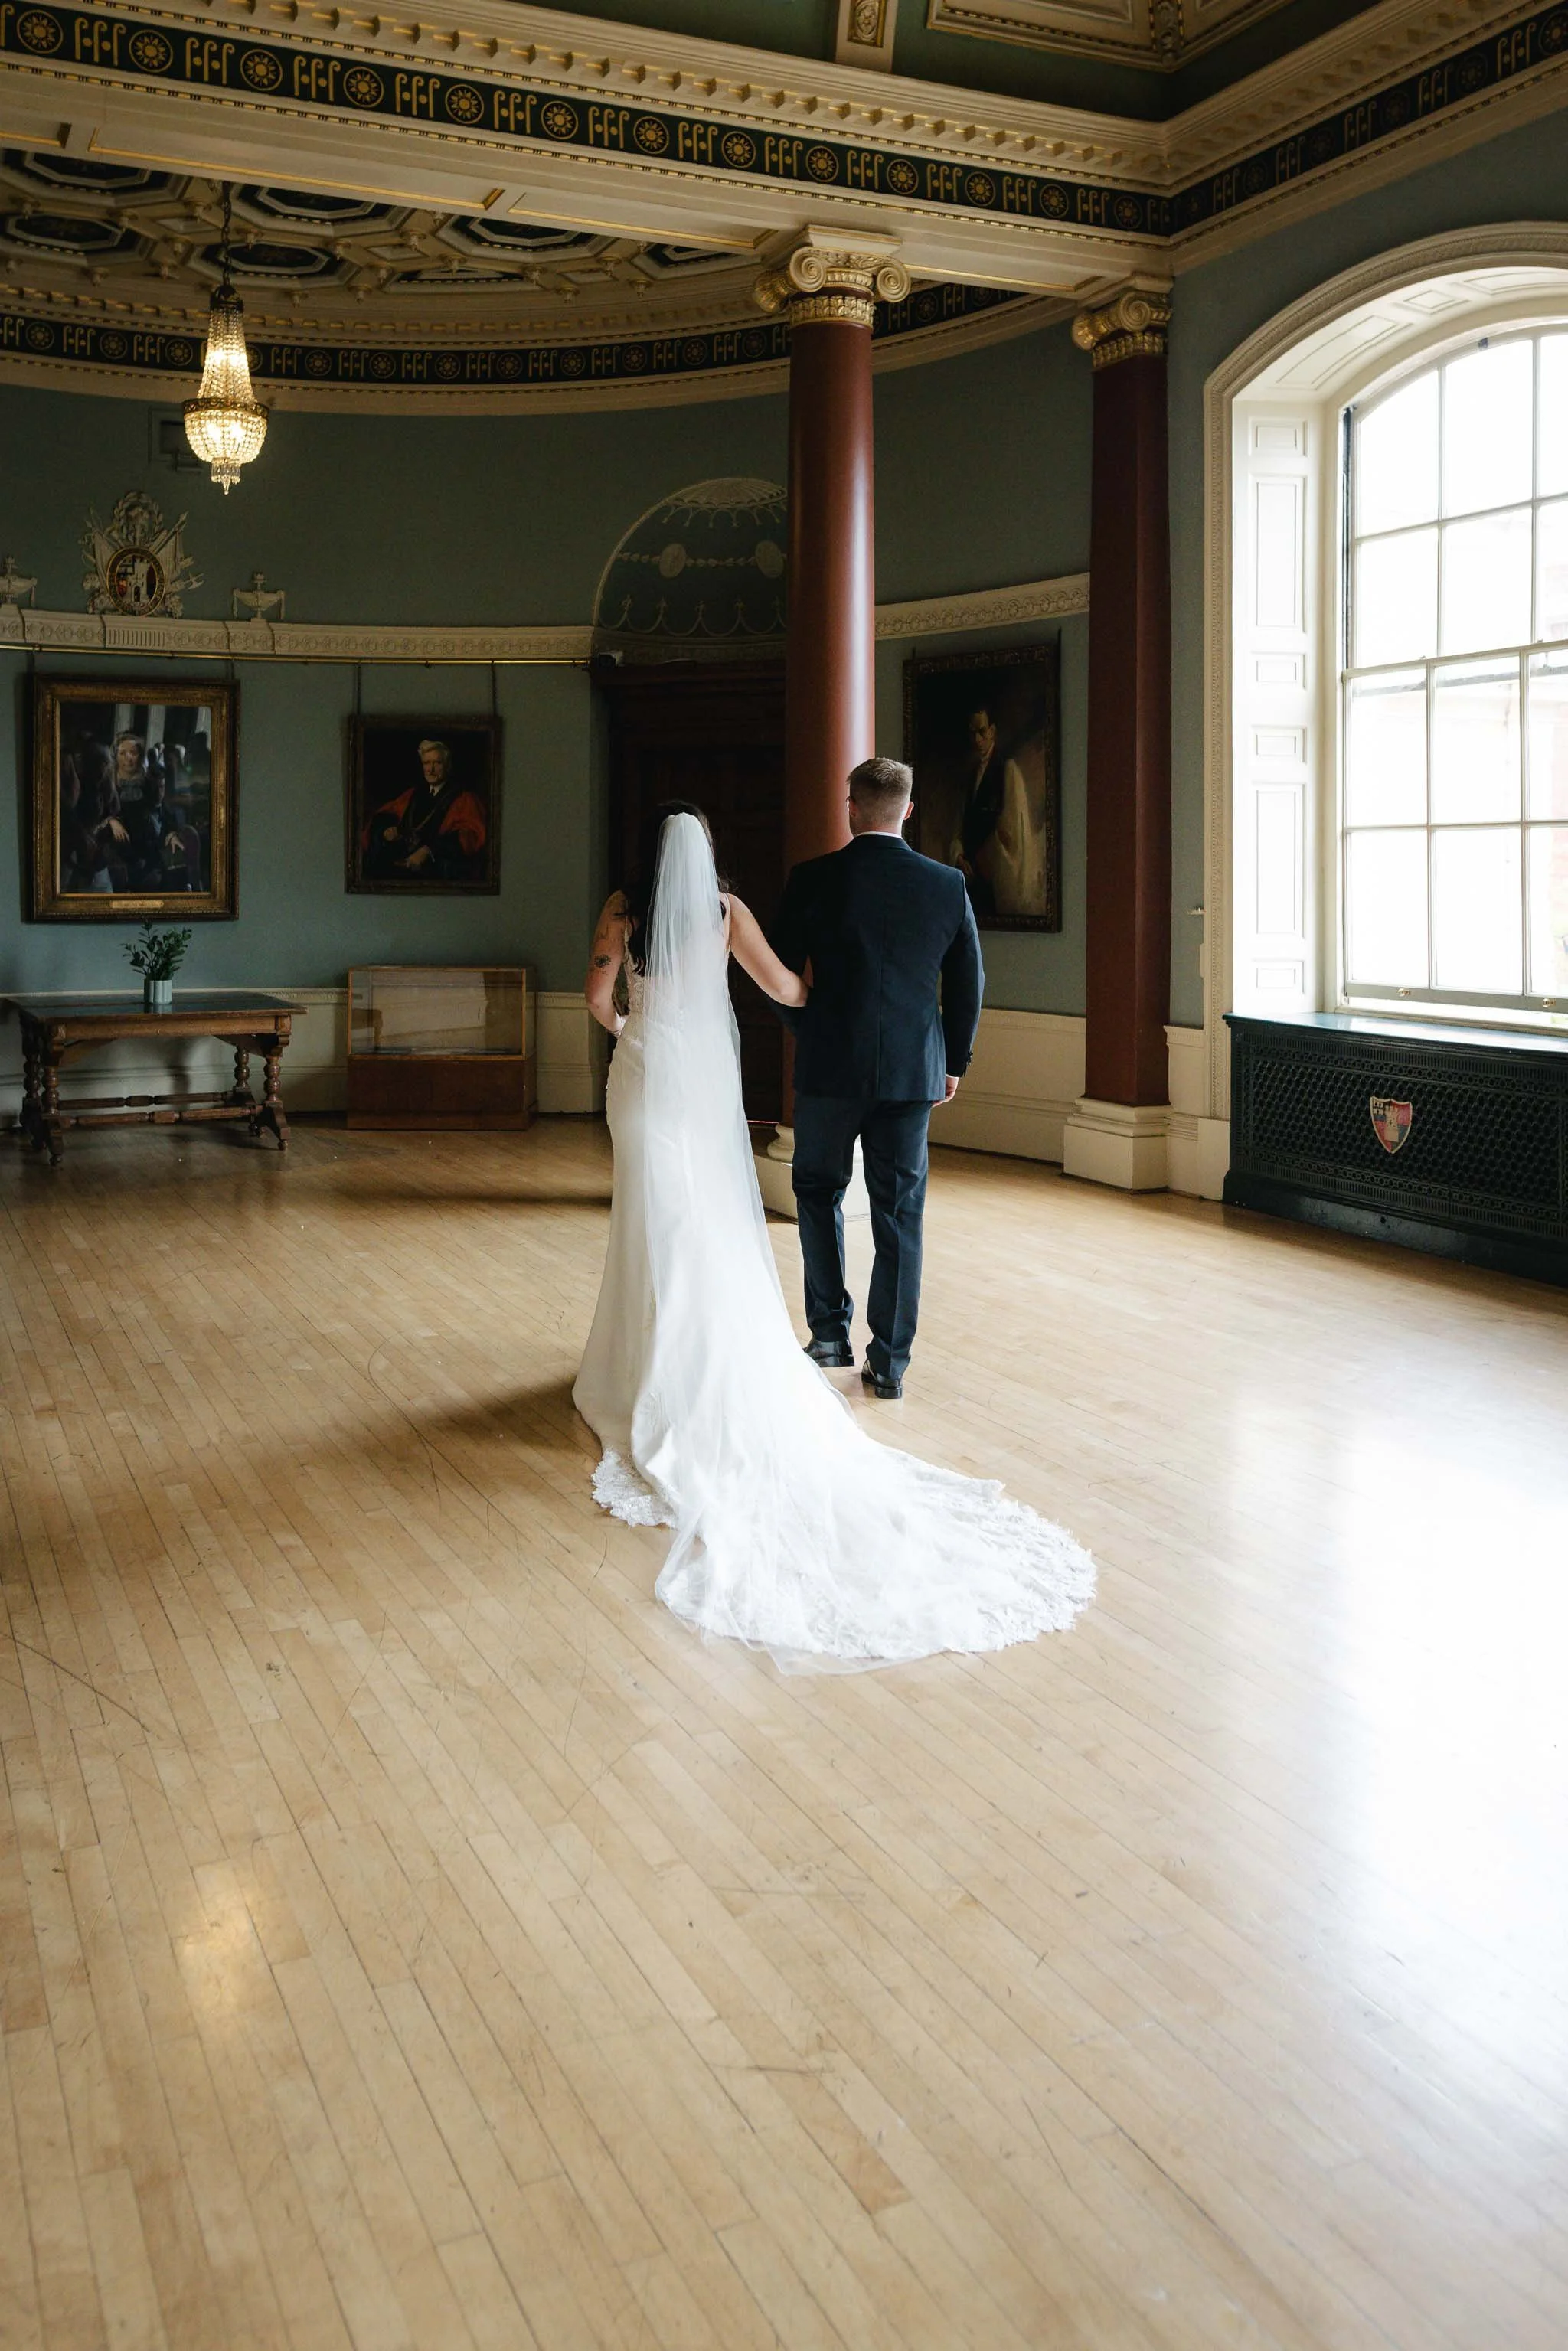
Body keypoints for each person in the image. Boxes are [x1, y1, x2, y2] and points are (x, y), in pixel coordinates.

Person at [572, 799, 1093, 1670]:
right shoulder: (726, 911)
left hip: (642, 1076)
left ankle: (644, 1361)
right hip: (702, 1081)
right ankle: (713, 1360)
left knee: (649, 1218)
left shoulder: (621, 910)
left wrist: (639, 1034)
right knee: (703, 1226)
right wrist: (842, 991)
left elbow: (596, 996)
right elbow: (787, 987)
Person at [773, 756, 982, 1399]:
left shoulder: (812, 879)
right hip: (911, 1074)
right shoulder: (947, 884)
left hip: (830, 1069)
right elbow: (970, 980)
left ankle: (829, 1332)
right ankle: (889, 1363)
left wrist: (810, 1031)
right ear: (909, 810)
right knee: (898, 1213)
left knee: (817, 1193)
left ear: (851, 806)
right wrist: (952, 1061)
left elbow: (778, 974)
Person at [948, 706, 1044, 920]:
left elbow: (1011, 827)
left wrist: (982, 859)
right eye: (972, 733)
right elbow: (960, 824)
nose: (977, 739)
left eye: (982, 732)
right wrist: (960, 857)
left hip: (993, 874)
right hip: (969, 875)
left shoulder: (1008, 770)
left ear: (992, 731)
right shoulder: (971, 775)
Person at [361, 737, 487, 883]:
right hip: (402, 870)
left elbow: (470, 837)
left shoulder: (464, 799)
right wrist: (386, 831)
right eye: (427, 763)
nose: (431, 769)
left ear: (448, 766)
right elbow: (383, 815)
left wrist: (429, 851)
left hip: (438, 876)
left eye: (437, 763)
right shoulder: (412, 795)